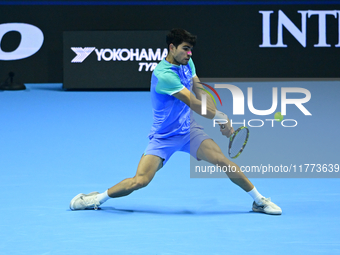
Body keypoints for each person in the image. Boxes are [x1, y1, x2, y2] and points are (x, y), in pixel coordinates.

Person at [69, 28, 282, 215]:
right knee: (140, 181)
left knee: (223, 161)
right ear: (172, 48)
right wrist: (221, 117)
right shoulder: (164, 75)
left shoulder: (188, 62)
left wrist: (219, 119)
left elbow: (200, 92)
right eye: (185, 49)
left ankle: (259, 201)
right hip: (164, 137)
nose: (189, 54)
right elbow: (194, 104)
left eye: (191, 50)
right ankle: (96, 199)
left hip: (189, 131)